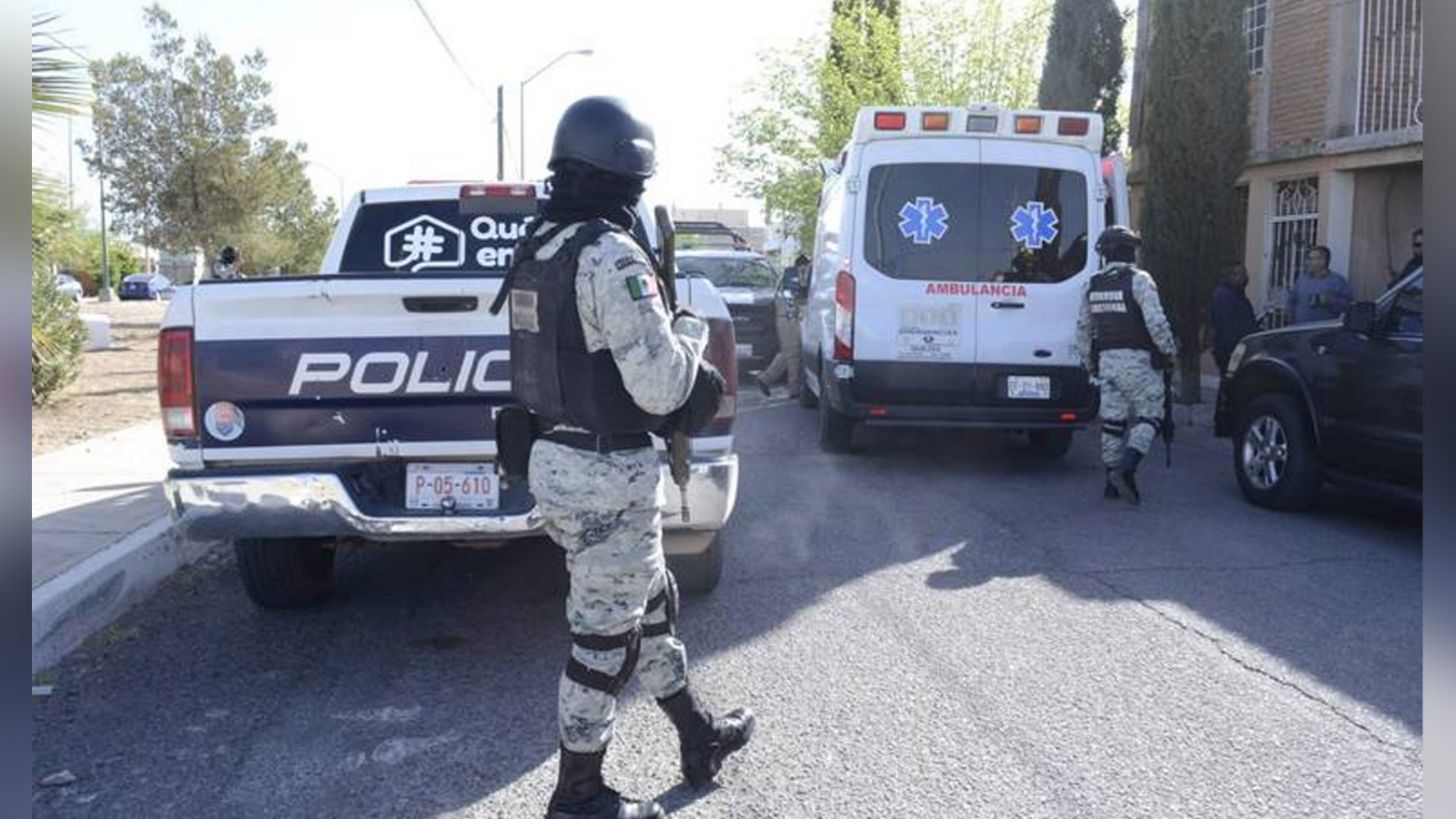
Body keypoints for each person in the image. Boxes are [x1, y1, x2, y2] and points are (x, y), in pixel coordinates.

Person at [508, 96, 754, 819]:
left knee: (650, 609)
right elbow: (663, 387)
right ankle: (577, 796)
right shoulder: (610, 254)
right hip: (606, 475)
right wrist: (691, 340)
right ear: (625, 175)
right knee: (602, 643)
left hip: (560, 462)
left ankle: (697, 736)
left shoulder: (541, 245)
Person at [1076, 226, 1178, 505]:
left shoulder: (1092, 284)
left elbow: (1083, 329)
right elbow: (1156, 322)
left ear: (1105, 254)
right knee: (1151, 416)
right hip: (1139, 363)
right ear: (1130, 251)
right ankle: (1127, 468)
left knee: (1113, 422)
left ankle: (1111, 482)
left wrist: (1090, 363)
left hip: (1107, 363)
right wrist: (1169, 352)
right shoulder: (1140, 280)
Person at [755, 253, 810, 397]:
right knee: (793, 355)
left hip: (784, 317)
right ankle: (793, 388)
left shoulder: (787, 275)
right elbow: (798, 298)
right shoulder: (796, 276)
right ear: (803, 266)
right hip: (789, 318)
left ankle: (765, 379)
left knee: (787, 353)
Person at [1208, 262, 1259, 374]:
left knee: (1235, 379)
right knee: (1231, 378)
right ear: (1232, 276)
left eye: (1245, 273)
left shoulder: (1238, 295)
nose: (1246, 277)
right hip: (1232, 351)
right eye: (1242, 274)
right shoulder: (1223, 296)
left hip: (1239, 349)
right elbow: (1226, 327)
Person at [1285, 244, 1352, 324]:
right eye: (1307, 259)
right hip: (1300, 328)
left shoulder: (1337, 281)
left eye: (1310, 259)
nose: (1307, 262)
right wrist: (1290, 317)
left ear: (1322, 261)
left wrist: (1329, 301)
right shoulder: (1302, 280)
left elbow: (1348, 306)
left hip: (1323, 329)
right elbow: (1291, 301)